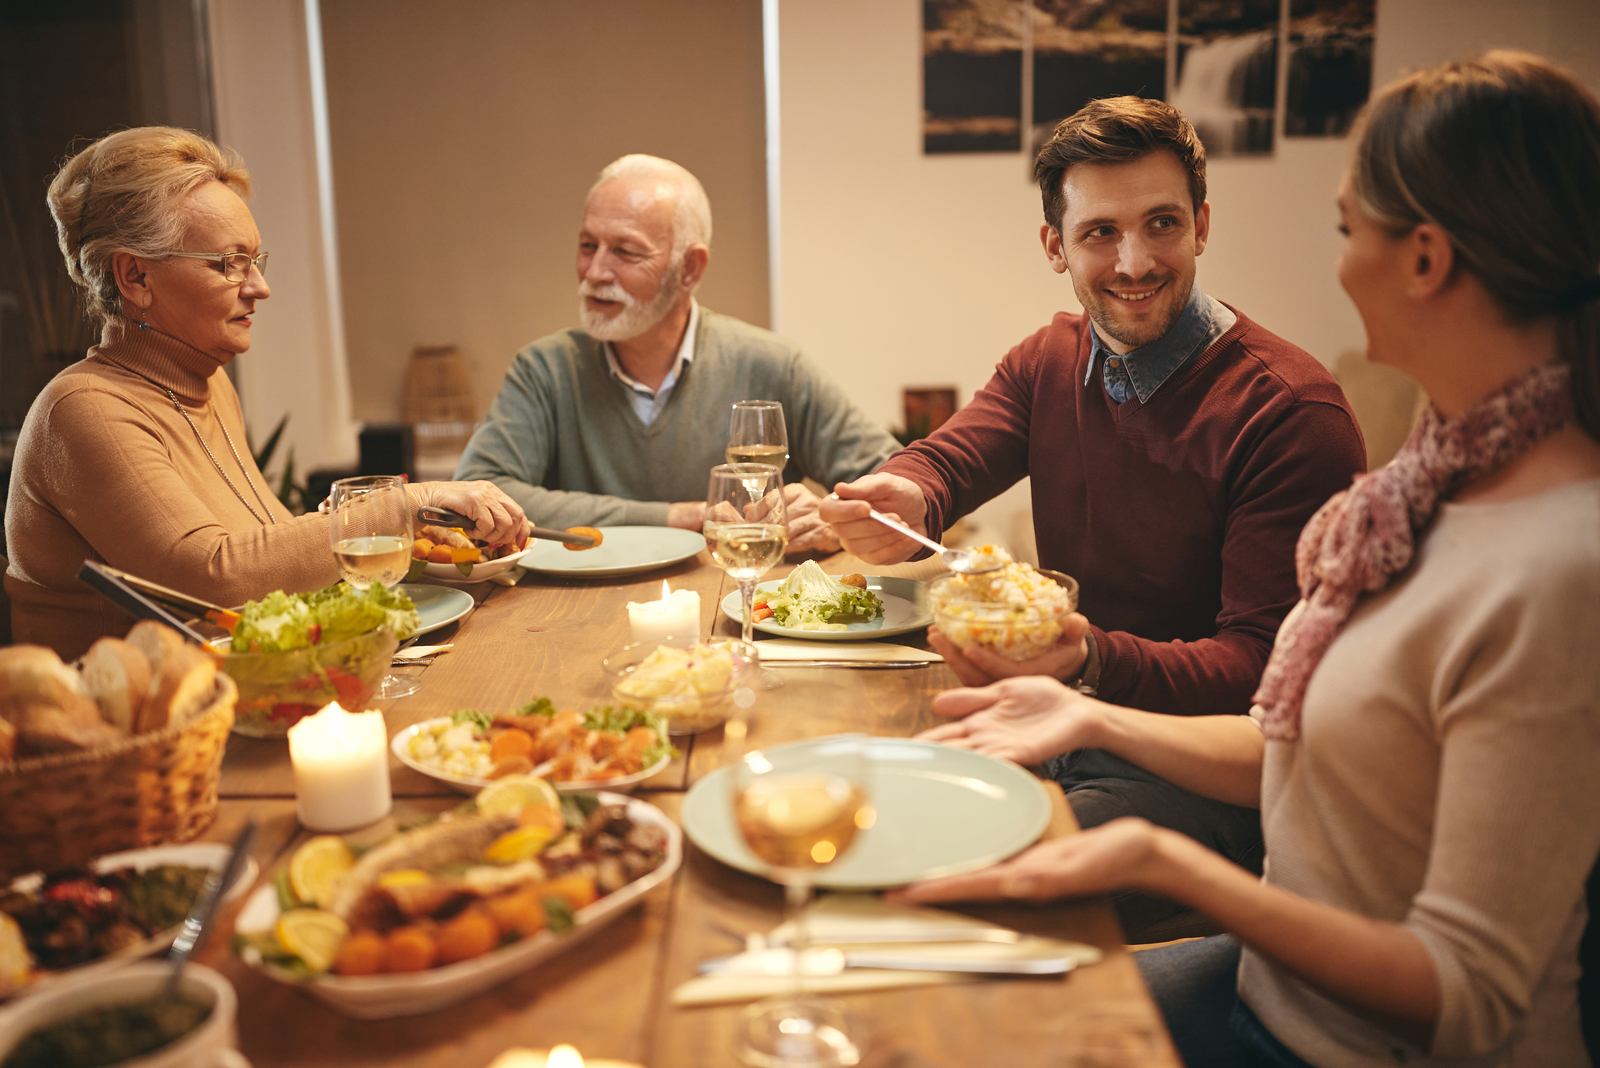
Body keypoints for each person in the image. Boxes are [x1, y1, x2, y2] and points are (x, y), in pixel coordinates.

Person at [893, 51, 1600, 1068]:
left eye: (1346, 227)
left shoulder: (1553, 561)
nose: (1337, 261)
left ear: (1425, 259)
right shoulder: (1427, 488)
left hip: (1342, 1040)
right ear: (1057, 245)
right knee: (941, 1008)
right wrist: (1086, 710)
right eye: (1100, 232)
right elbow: (1295, 738)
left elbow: (1468, 998)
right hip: (1276, 985)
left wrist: (1168, 861)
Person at [821, 98, 1366, 933]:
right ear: (1055, 247)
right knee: (848, 804)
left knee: (937, 885)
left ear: (1203, 225)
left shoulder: (1291, 414)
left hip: (1197, 782)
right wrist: (909, 490)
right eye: (1100, 232)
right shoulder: (1051, 359)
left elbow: (1262, 674)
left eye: (1161, 224)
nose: (1136, 261)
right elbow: (953, 456)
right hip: (1056, 718)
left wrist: (1086, 663)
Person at [4, 127, 530, 661]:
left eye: (256, 260)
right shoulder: (81, 409)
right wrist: (409, 503)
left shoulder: (209, 382)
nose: (259, 286)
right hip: (137, 732)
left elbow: (266, 547)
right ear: (136, 276)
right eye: (230, 263)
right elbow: (213, 576)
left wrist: (407, 528)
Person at [454, 154, 897, 554]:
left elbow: (894, 481)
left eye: (625, 251)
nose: (594, 271)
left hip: (737, 611)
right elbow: (479, 495)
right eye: (588, 245)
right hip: (577, 618)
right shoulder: (545, 369)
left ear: (690, 269)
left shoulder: (772, 364)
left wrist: (831, 519)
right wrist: (683, 518)